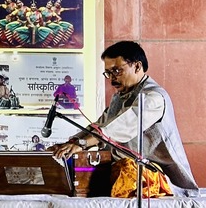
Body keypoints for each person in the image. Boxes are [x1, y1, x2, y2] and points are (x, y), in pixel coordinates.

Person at [50, 41, 198, 196]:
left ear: (137, 66)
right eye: (108, 73)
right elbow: (100, 125)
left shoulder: (153, 97)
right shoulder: (120, 97)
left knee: (126, 170)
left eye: (117, 71)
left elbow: (120, 127)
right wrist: (71, 143)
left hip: (157, 175)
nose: (112, 78)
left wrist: (83, 143)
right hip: (123, 170)